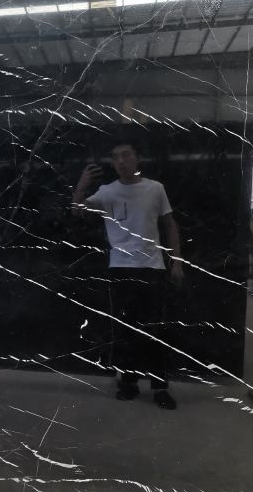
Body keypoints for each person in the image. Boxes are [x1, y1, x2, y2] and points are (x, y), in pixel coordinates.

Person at [73, 139, 183, 407]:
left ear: (137, 157)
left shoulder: (155, 188)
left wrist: (177, 263)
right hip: (120, 268)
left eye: (126, 155)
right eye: (115, 157)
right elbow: (78, 212)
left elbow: (170, 225)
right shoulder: (107, 192)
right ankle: (129, 383)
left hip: (152, 267)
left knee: (155, 331)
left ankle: (160, 388)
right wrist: (81, 185)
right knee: (125, 330)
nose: (121, 161)